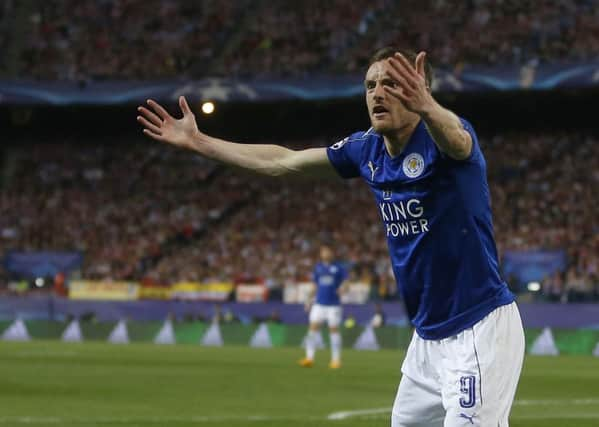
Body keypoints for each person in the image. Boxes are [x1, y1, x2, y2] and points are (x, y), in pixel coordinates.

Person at [137, 46, 525, 427]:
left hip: (478, 327)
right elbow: (283, 162)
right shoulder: (366, 150)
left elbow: (458, 139)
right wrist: (199, 142)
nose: (377, 93)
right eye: (371, 84)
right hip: (427, 339)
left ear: (418, 90)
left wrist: (431, 110)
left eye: (392, 83)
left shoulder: (446, 140)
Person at [299, 244, 348, 369]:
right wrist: (308, 300)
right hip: (319, 304)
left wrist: (343, 288)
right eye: (323, 251)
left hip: (333, 305)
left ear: (332, 252)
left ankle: (336, 360)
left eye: (328, 250)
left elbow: (346, 283)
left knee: (333, 329)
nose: (326, 253)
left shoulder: (339, 268)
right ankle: (309, 358)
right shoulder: (318, 268)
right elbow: (315, 286)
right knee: (312, 329)